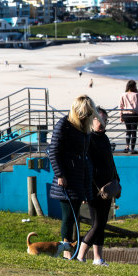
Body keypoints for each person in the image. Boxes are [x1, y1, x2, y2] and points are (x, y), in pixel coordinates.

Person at [48, 95, 99, 259]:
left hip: (80, 177)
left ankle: (72, 252)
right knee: (68, 217)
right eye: (84, 113)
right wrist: (60, 174)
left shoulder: (84, 128)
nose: (86, 117)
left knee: (75, 215)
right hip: (67, 178)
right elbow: (53, 151)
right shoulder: (64, 125)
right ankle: (66, 251)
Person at [76, 107, 120, 266]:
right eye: (100, 120)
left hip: (108, 187)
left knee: (102, 223)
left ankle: (98, 257)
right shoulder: (88, 139)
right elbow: (85, 166)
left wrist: (117, 180)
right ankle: (80, 255)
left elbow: (111, 162)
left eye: (105, 121)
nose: (103, 124)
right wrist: (85, 190)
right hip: (94, 188)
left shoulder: (105, 139)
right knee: (97, 224)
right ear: (92, 121)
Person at [119, 79, 138, 154]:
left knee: (128, 131)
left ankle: (127, 147)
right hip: (134, 115)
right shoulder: (136, 95)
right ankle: (132, 148)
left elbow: (121, 106)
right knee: (134, 132)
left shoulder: (123, 94)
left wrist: (121, 116)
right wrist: (137, 93)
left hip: (125, 115)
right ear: (134, 87)